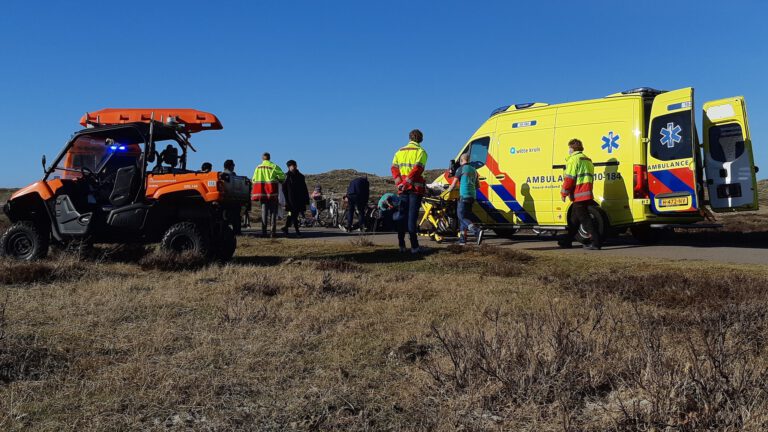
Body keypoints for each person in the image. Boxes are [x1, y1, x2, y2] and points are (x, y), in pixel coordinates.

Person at [558, 138, 601, 250]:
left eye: (569, 148)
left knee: (585, 219)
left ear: (572, 148)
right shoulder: (587, 160)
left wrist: (563, 193)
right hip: (587, 193)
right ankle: (566, 241)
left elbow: (570, 179)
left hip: (579, 194)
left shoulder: (573, 160)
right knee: (574, 220)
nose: (569, 150)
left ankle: (596, 242)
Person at [391, 129, 428, 253]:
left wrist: (400, 183)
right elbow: (417, 169)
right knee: (412, 217)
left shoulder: (399, 152)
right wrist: (407, 182)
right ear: (421, 139)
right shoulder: (421, 152)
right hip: (415, 189)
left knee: (402, 216)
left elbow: (394, 168)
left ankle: (401, 245)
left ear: (409, 138)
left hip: (402, 190)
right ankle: (414, 246)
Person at [446, 153, 483, 245]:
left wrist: (446, 191)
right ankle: (462, 240)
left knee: (460, 216)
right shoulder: (474, 170)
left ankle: (476, 230)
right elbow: (478, 186)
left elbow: (453, 184)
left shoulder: (460, 169)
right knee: (465, 217)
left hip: (464, 195)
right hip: (472, 196)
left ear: (461, 160)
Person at [251, 152, 286, 237]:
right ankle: (272, 232)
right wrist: (277, 179)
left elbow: (254, 180)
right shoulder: (273, 166)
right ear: (270, 158)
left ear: (262, 159)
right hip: (272, 193)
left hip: (262, 194)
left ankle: (264, 232)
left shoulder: (258, 168)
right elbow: (283, 177)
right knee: (273, 212)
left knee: (264, 212)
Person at [281, 160, 310, 237]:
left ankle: (286, 228)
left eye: (294, 165)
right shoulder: (286, 176)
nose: (293, 167)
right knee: (294, 214)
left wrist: (306, 200)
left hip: (299, 199)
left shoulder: (301, 176)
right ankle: (297, 231)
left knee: (292, 215)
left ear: (296, 166)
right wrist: (285, 200)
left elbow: (304, 188)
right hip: (290, 200)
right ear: (288, 167)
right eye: (291, 166)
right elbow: (284, 189)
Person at [221, 160, 243, 235]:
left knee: (225, 216)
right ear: (230, 166)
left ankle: (224, 231)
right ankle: (237, 231)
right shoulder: (233, 175)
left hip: (224, 199)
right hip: (233, 199)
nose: (234, 167)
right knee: (236, 216)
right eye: (233, 165)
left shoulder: (221, 175)